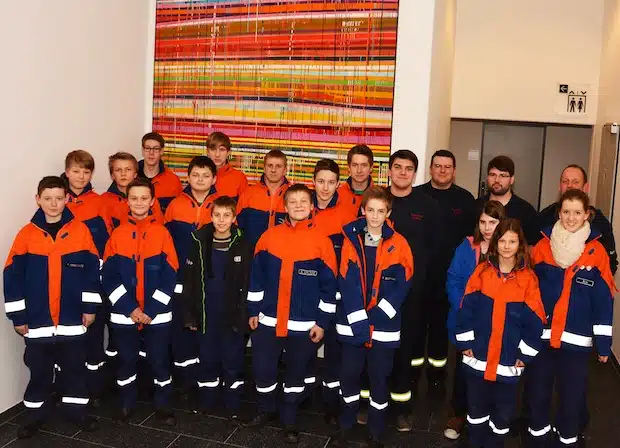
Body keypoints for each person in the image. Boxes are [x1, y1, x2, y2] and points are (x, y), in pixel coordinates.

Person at [4, 176, 101, 438]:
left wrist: (89, 308)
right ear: (37, 199)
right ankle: (35, 417)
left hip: (72, 319)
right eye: (47, 198)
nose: (54, 204)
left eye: (59, 198)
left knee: (74, 371)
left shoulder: (80, 231)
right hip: (37, 321)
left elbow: (92, 273)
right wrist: (18, 316)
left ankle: (77, 414)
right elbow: (11, 277)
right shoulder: (26, 235)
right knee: (39, 372)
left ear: (67, 199)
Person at [246, 184, 338, 444]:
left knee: (296, 375)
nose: (298, 206)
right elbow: (257, 279)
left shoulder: (322, 242)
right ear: (285, 207)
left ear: (311, 207)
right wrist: (253, 310)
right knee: (263, 370)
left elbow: (329, 289)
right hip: (268, 320)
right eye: (293, 202)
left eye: (303, 202)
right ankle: (266, 410)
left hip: (304, 324)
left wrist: (322, 322)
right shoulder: (268, 237)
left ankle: (290, 419)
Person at [527, 189, 614, 448]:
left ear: (587, 214)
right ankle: (537, 437)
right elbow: (529, 292)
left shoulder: (596, 252)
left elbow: (603, 300)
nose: (571, 218)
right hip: (542, 337)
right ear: (559, 213)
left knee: (571, 396)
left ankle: (567, 439)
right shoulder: (543, 246)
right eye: (566, 212)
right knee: (537, 392)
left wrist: (603, 344)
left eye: (577, 212)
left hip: (576, 342)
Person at [332, 186, 414, 448]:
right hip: (352, 323)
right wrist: (358, 319)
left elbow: (403, 284)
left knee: (379, 378)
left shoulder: (399, 243)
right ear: (363, 210)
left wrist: (376, 317)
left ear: (388, 213)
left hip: (383, 327)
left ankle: (376, 430)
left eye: (381, 211)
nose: (375, 216)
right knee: (349, 375)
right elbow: (346, 280)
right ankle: (346, 425)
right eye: (371, 210)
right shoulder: (350, 239)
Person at [455, 218, 545, 447]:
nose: (506, 246)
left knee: (502, 416)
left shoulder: (528, 280)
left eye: (512, 241)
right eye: (502, 240)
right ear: (495, 244)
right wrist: (466, 344)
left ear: (520, 245)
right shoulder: (481, 273)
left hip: (508, 362)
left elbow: (536, 323)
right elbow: (466, 311)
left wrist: (523, 356)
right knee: (476, 412)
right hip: (478, 358)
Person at [101, 178, 179, 426]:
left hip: (157, 315)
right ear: (127, 201)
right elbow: (108, 276)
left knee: (159, 359)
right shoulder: (117, 234)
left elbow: (171, 274)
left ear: (153, 201)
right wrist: (130, 308)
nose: (139, 202)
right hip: (124, 314)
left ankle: (164, 404)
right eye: (133, 198)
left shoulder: (162, 233)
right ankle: (127, 401)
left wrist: (152, 310)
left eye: (144, 198)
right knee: (126, 359)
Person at [180, 196, 252, 421]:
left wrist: (246, 314)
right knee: (207, 358)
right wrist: (190, 314)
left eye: (227, 215)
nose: (221, 220)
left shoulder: (245, 244)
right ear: (210, 216)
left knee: (233, 360)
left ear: (234, 218)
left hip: (232, 314)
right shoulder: (199, 241)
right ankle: (208, 401)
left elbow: (250, 282)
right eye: (217, 215)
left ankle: (233, 405)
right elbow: (189, 282)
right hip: (205, 312)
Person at [385, 150, 442, 431]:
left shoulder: (427, 206)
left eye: (409, 169)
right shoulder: (378, 202)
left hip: (412, 293)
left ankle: (401, 409)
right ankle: (371, 404)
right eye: (398, 167)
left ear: (415, 173)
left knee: (406, 349)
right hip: (378, 291)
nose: (403, 173)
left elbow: (433, 251)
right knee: (376, 349)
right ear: (389, 171)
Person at [414, 150, 475, 394]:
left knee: (441, 332)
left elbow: (473, 239)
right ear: (430, 169)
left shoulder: (465, 199)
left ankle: (437, 376)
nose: (442, 170)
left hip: (449, 279)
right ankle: (412, 374)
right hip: (419, 277)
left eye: (447, 167)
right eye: (437, 166)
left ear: (454, 170)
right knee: (417, 330)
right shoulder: (417, 195)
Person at [443, 200, 505, 440]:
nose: (488, 228)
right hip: (466, 321)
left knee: (492, 372)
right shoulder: (467, 246)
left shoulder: (509, 249)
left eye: (493, 222)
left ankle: (486, 417)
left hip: (496, 323)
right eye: (483, 222)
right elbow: (454, 280)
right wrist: (466, 309)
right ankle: (459, 414)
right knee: (463, 370)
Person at [164, 156, 219, 396]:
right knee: (182, 327)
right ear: (188, 177)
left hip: (210, 277)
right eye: (196, 175)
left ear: (214, 179)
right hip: (180, 277)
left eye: (206, 175)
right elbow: (166, 240)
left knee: (207, 327)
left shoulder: (222, 205)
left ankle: (207, 380)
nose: (200, 179)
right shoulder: (175, 204)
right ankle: (186, 379)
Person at [310, 159, 358, 424]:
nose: (325, 188)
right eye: (320, 181)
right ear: (313, 181)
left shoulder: (347, 213)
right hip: (307, 289)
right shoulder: (303, 208)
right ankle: (304, 392)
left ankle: (331, 401)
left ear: (338, 184)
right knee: (306, 343)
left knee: (334, 348)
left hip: (337, 291)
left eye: (331, 182)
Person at [62, 150, 112, 404]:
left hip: (94, 282)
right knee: (68, 339)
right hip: (64, 285)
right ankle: (68, 390)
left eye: (86, 171)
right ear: (67, 171)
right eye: (76, 170)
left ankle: (95, 392)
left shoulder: (99, 201)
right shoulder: (58, 199)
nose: (81, 176)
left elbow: (107, 242)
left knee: (94, 338)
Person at [539, 164, 617, 274]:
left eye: (575, 182)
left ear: (585, 187)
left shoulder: (600, 223)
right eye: (565, 181)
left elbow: (611, 265)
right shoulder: (545, 216)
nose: (570, 185)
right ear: (560, 186)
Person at [473, 155, 540, 246]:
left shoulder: (525, 211)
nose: (497, 180)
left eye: (503, 176)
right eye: (493, 175)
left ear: (512, 180)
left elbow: (532, 246)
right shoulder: (476, 206)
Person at [236, 149, 289, 248]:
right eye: (270, 166)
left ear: (285, 170)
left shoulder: (293, 195)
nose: (273, 170)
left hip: (283, 255)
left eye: (278, 166)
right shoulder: (248, 193)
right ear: (264, 168)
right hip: (251, 256)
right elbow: (237, 227)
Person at [100, 152, 164, 229]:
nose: (123, 173)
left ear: (135, 174)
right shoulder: (104, 200)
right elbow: (105, 231)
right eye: (118, 170)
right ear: (112, 175)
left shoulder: (148, 199)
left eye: (128, 169)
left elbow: (158, 230)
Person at [138, 131, 183, 213]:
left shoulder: (173, 181)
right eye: (148, 148)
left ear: (161, 151)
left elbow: (178, 212)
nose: (151, 153)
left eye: (156, 149)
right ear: (142, 150)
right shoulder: (131, 177)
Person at [206, 131, 248, 200]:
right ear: (207, 152)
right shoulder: (199, 176)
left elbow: (244, 207)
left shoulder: (239, 178)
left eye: (222, 149)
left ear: (228, 153)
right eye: (213, 149)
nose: (217, 154)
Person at [338, 144, 374, 210]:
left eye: (364, 165)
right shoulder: (337, 195)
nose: (359, 170)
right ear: (349, 167)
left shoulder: (379, 196)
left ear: (371, 168)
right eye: (355, 165)